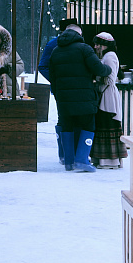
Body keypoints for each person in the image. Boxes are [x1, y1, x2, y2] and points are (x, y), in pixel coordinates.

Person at [48, 23, 110, 172]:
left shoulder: (55, 51)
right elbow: (99, 69)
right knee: (88, 125)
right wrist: (110, 68)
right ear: (79, 35)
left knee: (67, 126)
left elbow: (52, 76)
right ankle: (82, 161)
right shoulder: (84, 49)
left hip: (63, 98)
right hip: (84, 97)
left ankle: (69, 162)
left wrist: (58, 95)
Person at [38, 17, 77, 164]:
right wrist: (57, 80)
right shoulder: (53, 44)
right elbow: (43, 66)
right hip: (62, 89)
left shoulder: (78, 43)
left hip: (73, 88)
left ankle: (69, 154)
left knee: (69, 119)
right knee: (64, 119)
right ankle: (65, 154)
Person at [91, 32, 127, 169]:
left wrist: (97, 77)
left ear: (105, 45)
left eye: (97, 44)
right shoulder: (107, 56)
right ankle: (103, 159)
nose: (95, 47)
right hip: (106, 93)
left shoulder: (110, 56)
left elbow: (110, 79)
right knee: (104, 124)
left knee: (107, 123)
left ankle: (109, 160)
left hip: (108, 95)